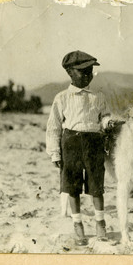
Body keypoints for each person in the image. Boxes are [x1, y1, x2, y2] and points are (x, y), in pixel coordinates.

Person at [46, 50, 111, 245]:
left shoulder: (98, 97)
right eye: (82, 71)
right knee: (72, 186)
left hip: (94, 144)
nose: (87, 75)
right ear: (70, 73)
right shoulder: (62, 98)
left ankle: (100, 222)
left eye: (90, 71)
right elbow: (53, 127)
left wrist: (108, 123)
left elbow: (104, 116)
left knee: (96, 186)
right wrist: (55, 153)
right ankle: (78, 224)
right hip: (71, 144)